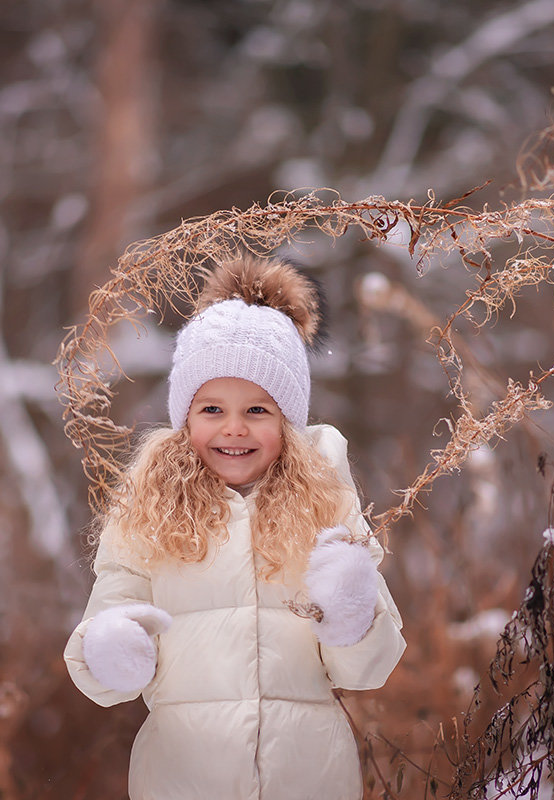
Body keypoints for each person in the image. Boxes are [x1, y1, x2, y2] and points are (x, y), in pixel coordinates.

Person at [64, 255, 405, 800]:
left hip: (309, 778)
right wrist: (111, 648)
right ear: (184, 417)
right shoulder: (147, 512)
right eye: (211, 409)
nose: (234, 429)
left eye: (259, 410)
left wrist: (352, 613)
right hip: (181, 779)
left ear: (289, 423)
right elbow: (103, 661)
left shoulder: (327, 508)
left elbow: (367, 671)